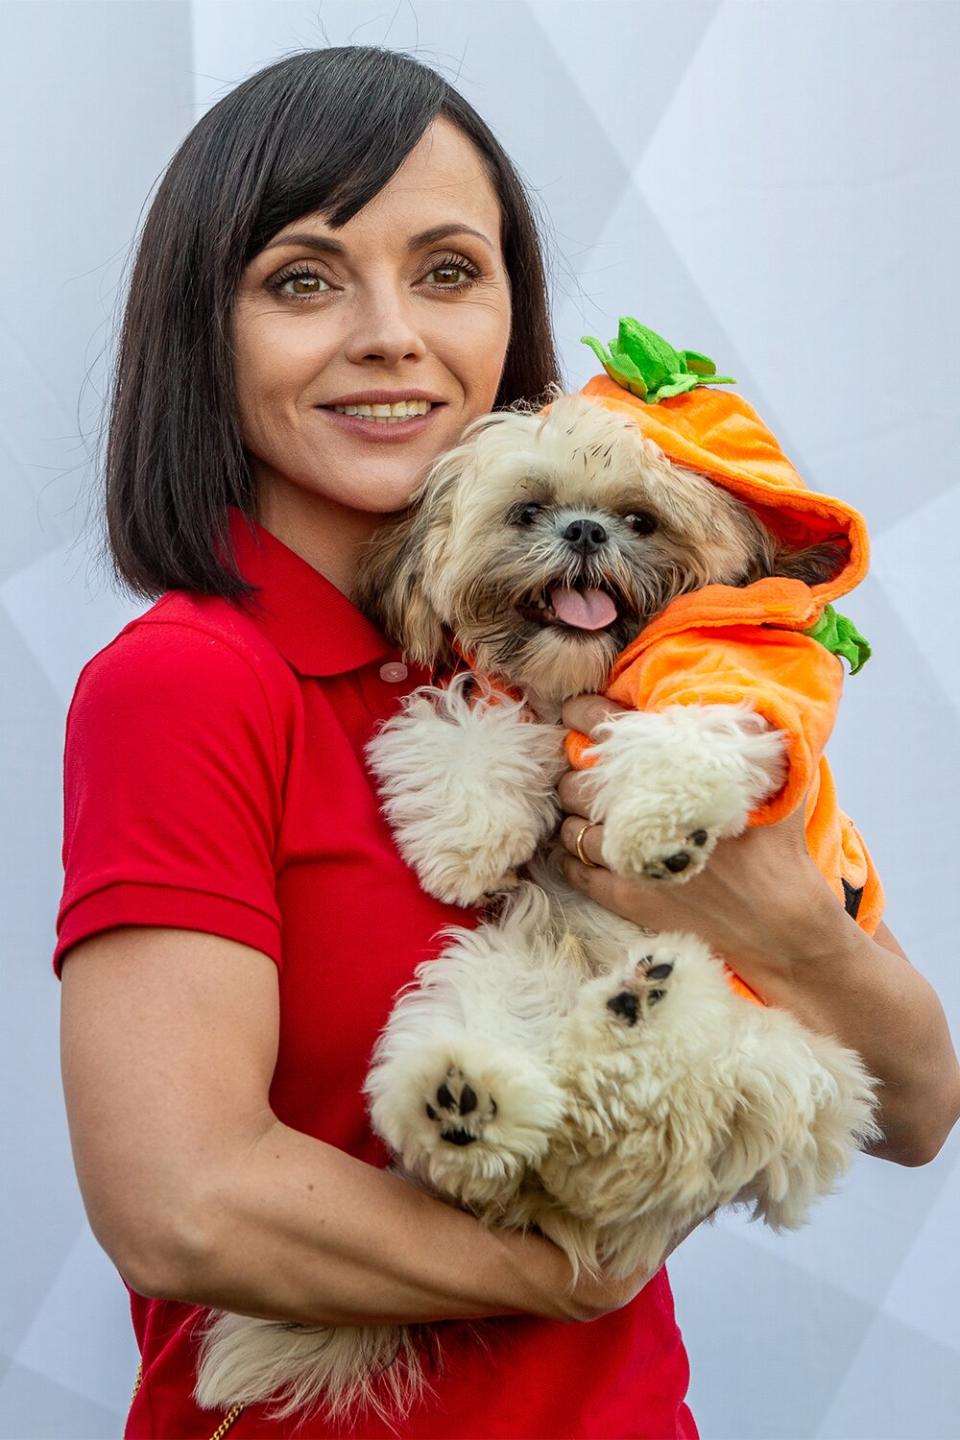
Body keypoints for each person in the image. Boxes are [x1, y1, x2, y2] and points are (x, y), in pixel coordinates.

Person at [54, 45, 959, 1440]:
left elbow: (919, 1110)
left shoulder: (619, 663)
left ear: (513, 313)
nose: (390, 334)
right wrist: (563, 1276)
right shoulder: (187, 683)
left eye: (448, 270)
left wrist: (787, 926)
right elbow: (180, 1204)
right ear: (205, 332)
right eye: (304, 280)